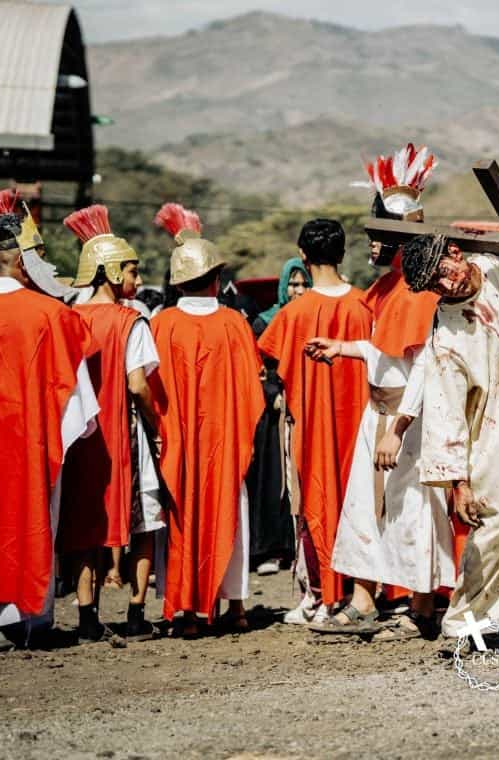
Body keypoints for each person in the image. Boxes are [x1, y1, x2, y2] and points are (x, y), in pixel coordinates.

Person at [0, 190, 98, 652]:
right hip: (29, 446)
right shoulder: (52, 315)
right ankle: (20, 618)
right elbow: (78, 407)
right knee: (24, 522)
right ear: (24, 262)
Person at [308, 146, 454, 640]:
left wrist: (399, 427)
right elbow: (384, 352)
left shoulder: (420, 292)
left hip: (407, 423)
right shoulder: (388, 288)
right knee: (362, 509)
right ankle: (364, 601)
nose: (370, 244)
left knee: (414, 511)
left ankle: (421, 609)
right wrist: (343, 348)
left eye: (380, 235)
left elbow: (422, 368)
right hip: (378, 416)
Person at [401, 232, 499, 641]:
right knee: (495, 524)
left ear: (456, 252)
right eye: (434, 285)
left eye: (443, 272)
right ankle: (465, 623)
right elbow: (445, 411)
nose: (445, 285)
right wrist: (459, 483)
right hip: (493, 432)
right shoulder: (446, 334)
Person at [149, 203, 264, 635]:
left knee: (181, 517)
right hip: (225, 442)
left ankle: (187, 612)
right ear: (216, 278)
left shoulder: (162, 324)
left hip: (176, 442)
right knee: (231, 513)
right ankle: (236, 607)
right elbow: (253, 386)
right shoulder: (234, 323)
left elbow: (150, 388)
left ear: (178, 281)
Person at [57, 204, 164, 641]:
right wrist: (157, 425)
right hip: (126, 434)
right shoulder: (131, 321)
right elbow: (138, 384)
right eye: (132, 271)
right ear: (112, 272)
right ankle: (136, 615)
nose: (137, 279)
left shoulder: (69, 319)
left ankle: (87, 617)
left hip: (80, 436)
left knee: (84, 521)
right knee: (144, 524)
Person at [257, 219, 371, 625]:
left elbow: (270, 363)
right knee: (363, 504)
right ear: (342, 253)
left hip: (311, 426)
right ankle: (361, 593)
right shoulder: (365, 304)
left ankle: (324, 595)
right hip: (362, 424)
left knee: (316, 506)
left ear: (302, 255)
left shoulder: (294, 313)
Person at [247, 257, 310, 578]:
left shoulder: (312, 317)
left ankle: (297, 546)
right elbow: (254, 366)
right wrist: (272, 392)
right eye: (293, 284)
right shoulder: (264, 322)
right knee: (273, 478)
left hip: (305, 406)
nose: (298, 290)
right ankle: (270, 548)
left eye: (304, 284)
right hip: (272, 412)